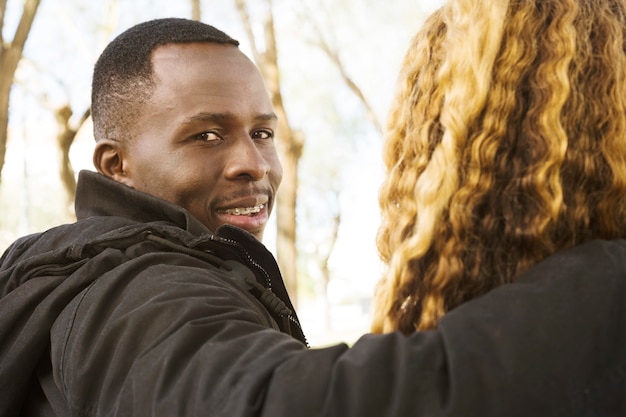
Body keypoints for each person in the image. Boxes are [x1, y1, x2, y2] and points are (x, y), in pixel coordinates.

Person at [0, 13, 623, 417]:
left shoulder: (169, 271)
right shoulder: (128, 287)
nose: (254, 164)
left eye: (263, 133)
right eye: (207, 136)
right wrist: (599, 291)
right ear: (116, 167)